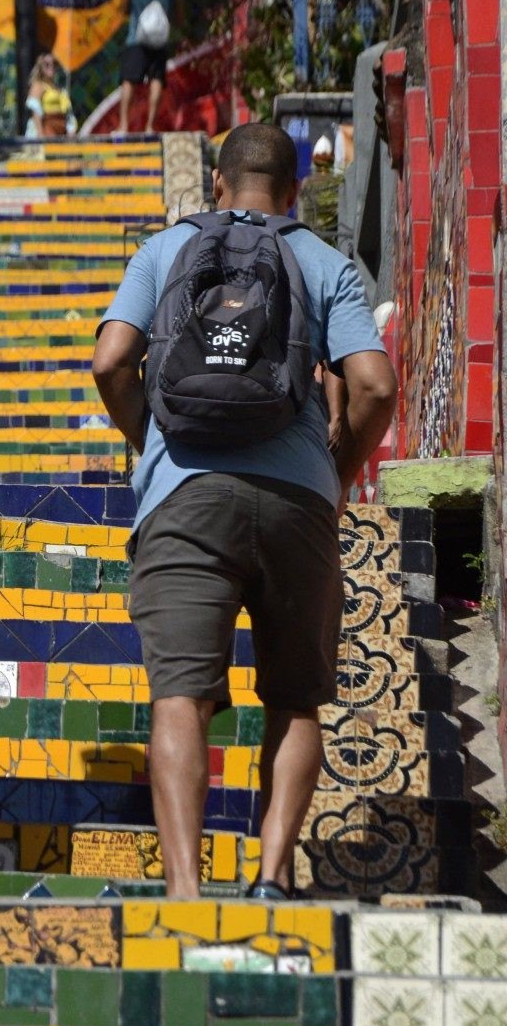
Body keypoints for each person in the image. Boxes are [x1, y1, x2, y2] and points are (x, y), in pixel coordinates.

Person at [92, 121, 397, 902]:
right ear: (295, 192)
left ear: (217, 186)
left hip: (184, 495)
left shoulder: (166, 250)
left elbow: (111, 361)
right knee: (294, 699)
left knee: (182, 697)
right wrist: (333, 478)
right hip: (298, 499)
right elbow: (374, 386)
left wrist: (151, 442)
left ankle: (188, 894)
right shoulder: (324, 262)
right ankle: (271, 878)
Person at [118, 0, 181, 135]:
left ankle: (123, 126)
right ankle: (150, 126)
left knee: (129, 80)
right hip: (159, 41)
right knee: (156, 80)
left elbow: (125, 9)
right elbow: (178, 17)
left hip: (136, 39)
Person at [297, 135, 340, 245]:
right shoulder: (338, 183)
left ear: (314, 159)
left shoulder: (307, 183)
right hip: (334, 239)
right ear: (332, 158)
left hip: (311, 238)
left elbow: (302, 213)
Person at [25, 54, 76, 139]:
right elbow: (35, 112)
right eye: (47, 64)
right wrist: (40, 134)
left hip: (61, 127)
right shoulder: (38, 85)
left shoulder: (60, 89)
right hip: (46, 127)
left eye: (54, 64)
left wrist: (71, 129)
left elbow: (68, 113)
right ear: (41, 67)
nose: (51, 66)